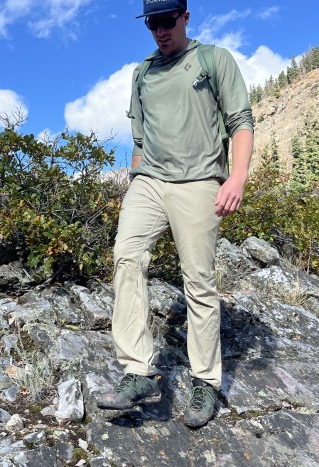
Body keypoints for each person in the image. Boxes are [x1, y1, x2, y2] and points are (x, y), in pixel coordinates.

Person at [96, 0, 254, 428]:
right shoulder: (142, 74)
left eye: (167, 21)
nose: (160, 31)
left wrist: (236, 179)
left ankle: (205, 380)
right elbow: (140, 140)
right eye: (152, 23)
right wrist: (135, 184)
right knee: (126, 256)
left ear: (186, 16)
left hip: (201, 180)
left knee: (198, 278)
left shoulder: (213, 60)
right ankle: (138, 371)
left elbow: (240, 120)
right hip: (149, 181)